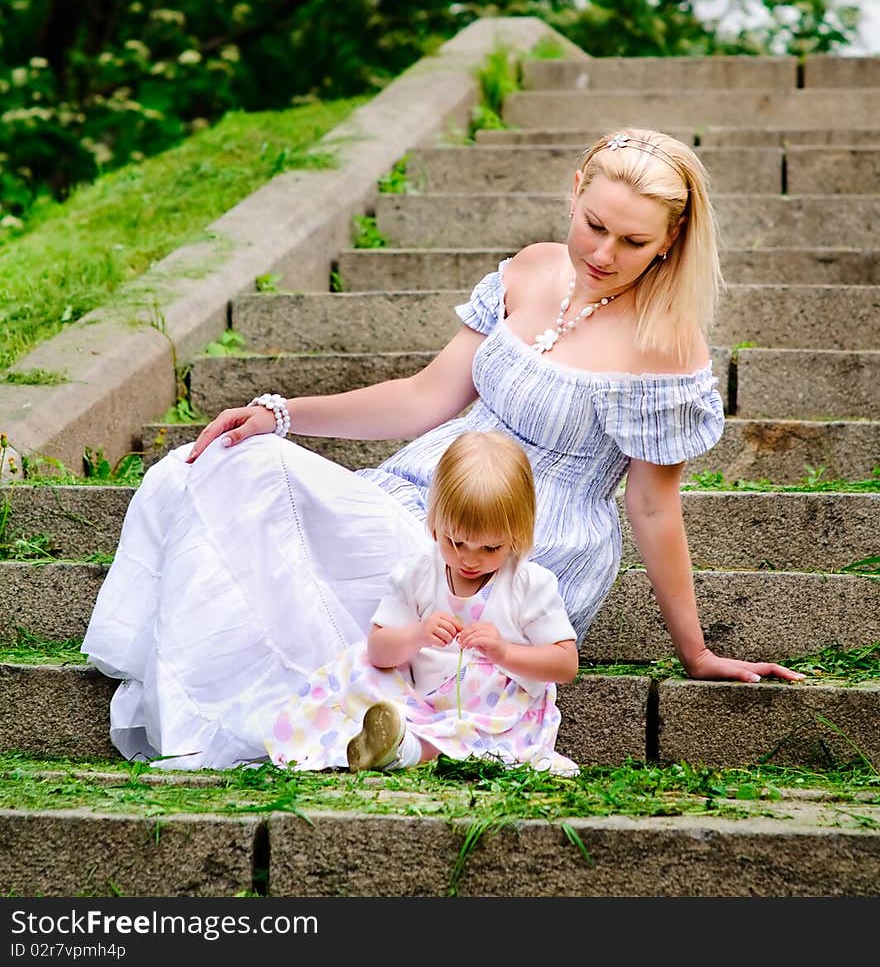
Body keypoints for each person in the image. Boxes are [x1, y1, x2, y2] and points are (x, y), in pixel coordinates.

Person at [82, 126, 803, 769]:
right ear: (576, 189)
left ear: (670, 240)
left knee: (395, 595)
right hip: (420, 490)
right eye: (594, 225)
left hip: (519, 543)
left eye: (635, 242)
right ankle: (311, 709)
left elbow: (652, 504)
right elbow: (427, 396)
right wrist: (280, 413)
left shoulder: (667, 340)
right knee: (231, 464)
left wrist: (696, 649)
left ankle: (367, 722)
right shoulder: (530, 268)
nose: (604, 253)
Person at [263, 430, 579, 776]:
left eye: (490, 548)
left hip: (497, 714)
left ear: (519, 535)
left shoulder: (529, 584)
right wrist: (417, 635)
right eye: (455, 542)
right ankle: (384, 734)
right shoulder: (417, 573)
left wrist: (504, 651)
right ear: (435, 524)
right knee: (359, 662)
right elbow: (380, 650)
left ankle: (407, 749)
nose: (469, 560)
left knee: (478, 737)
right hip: (420, 701)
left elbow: (564, 665)